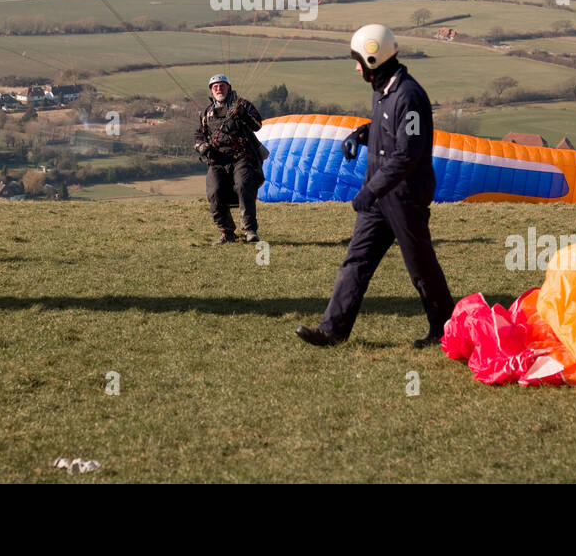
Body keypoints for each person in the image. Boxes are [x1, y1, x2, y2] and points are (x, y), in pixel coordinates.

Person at [296, 25, 454, 349]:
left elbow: (406, 153)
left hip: (404, 196)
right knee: (357, 260)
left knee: (420, 266)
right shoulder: (384, 89)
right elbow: (387, 129)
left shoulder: (409, 96)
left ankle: (446, 330)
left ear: (372, 58)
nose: (355, 67)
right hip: (381, 194)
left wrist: (371, 190)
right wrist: (361, 134)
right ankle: (333, 330)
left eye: (357, 60)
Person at [194, 73, 264, 244]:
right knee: (214, 191)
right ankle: (227, 232)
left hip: (241, 157)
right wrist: (202, 146)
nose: (219, 89)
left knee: (243, 185)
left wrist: (242, 114)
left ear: (228, 88)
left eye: (222, 86)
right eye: (215, 87)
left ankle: (250, 230)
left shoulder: (243, 105)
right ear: (211, 90)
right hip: (217, 160)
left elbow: (257, 125)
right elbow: (198, 136)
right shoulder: (206, 113)